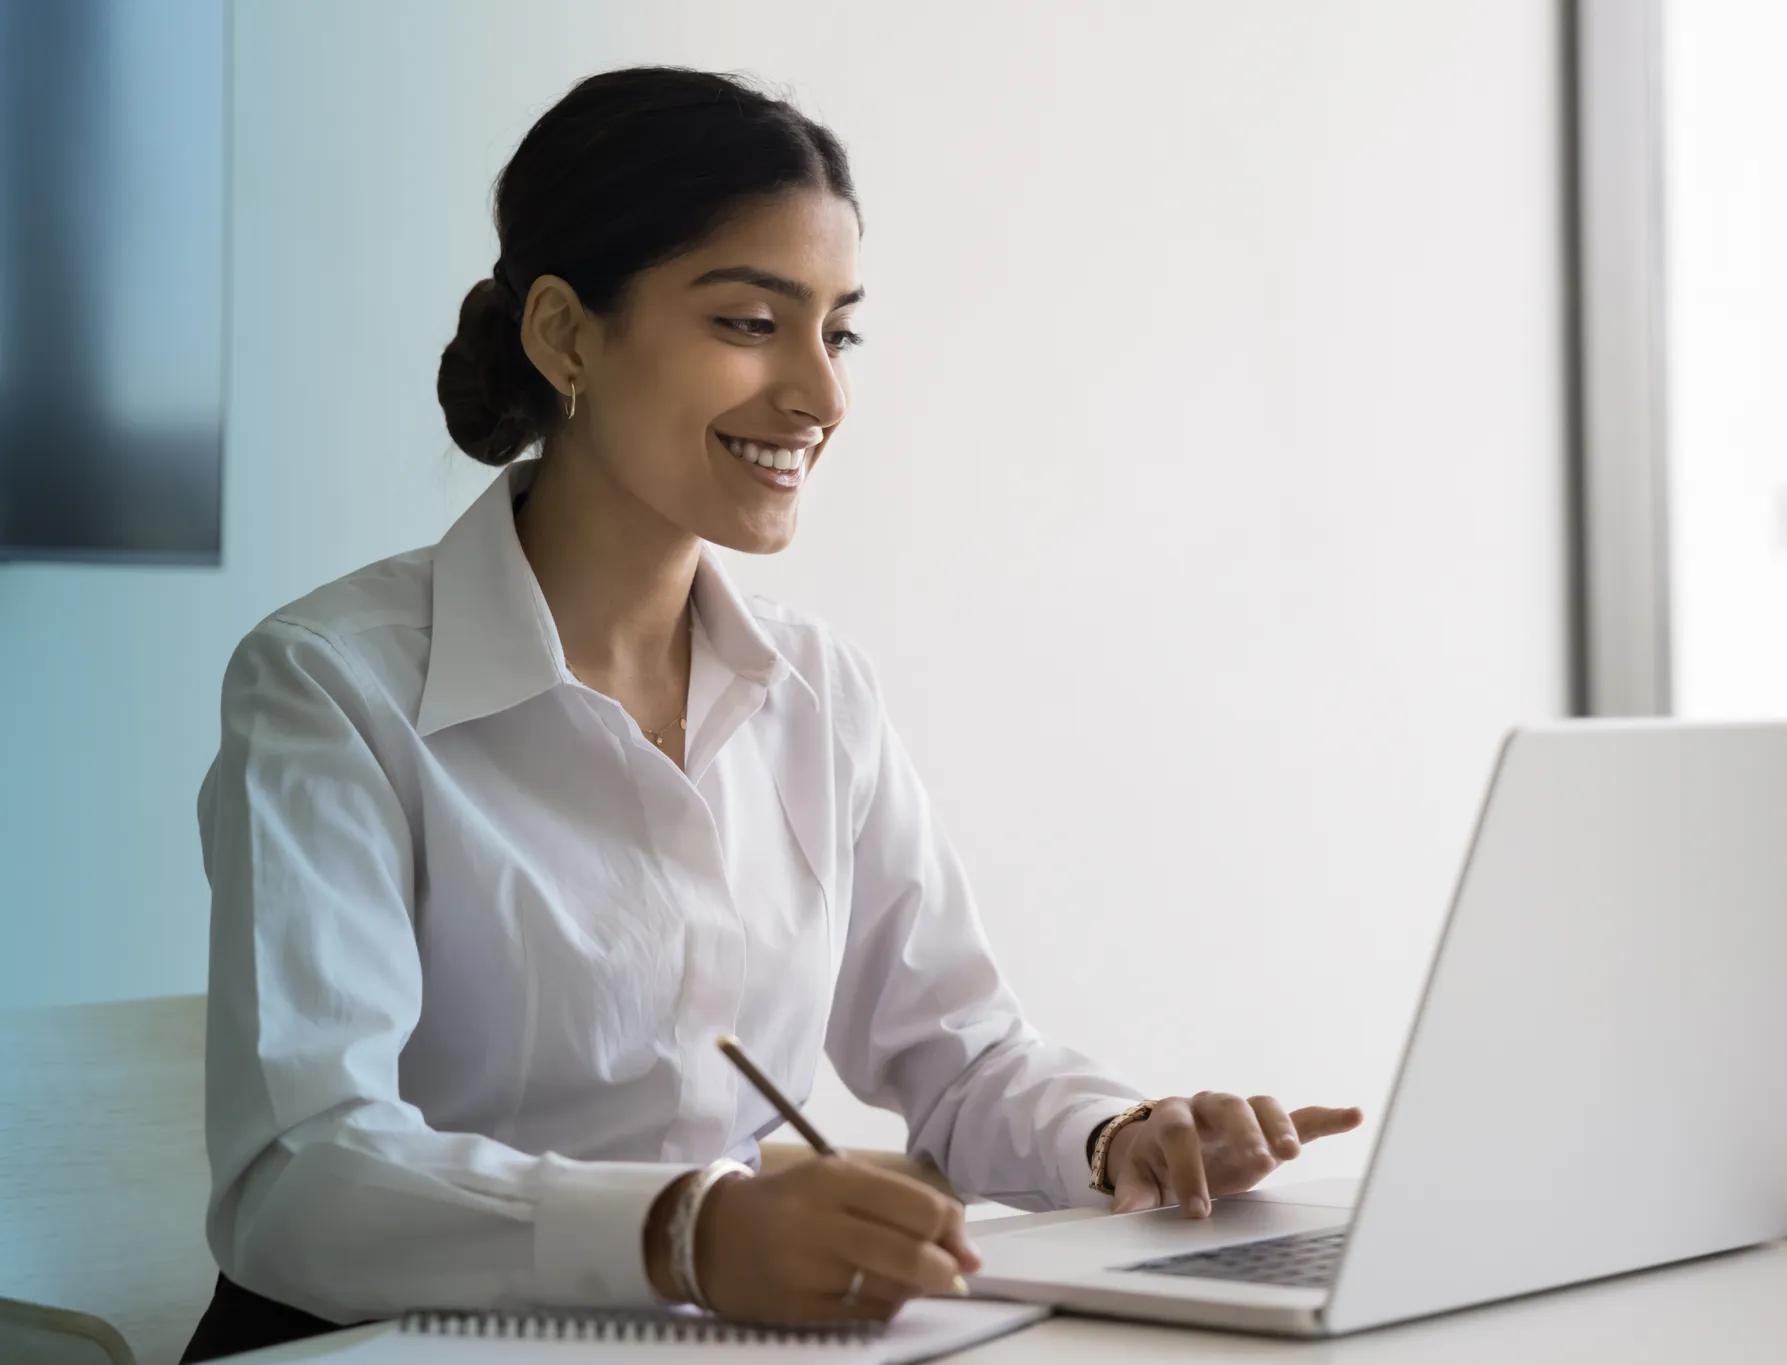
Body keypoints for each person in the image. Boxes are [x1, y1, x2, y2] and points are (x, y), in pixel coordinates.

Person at [180, 65, 1363, 1363]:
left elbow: (960, 1057)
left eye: (838, 331)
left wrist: (1120, 1135)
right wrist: (689, 1232)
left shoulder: (816, 691)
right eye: (752, 321)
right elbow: (304, 1176)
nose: (822, 394)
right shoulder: (331, 682)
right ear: (567, 336)